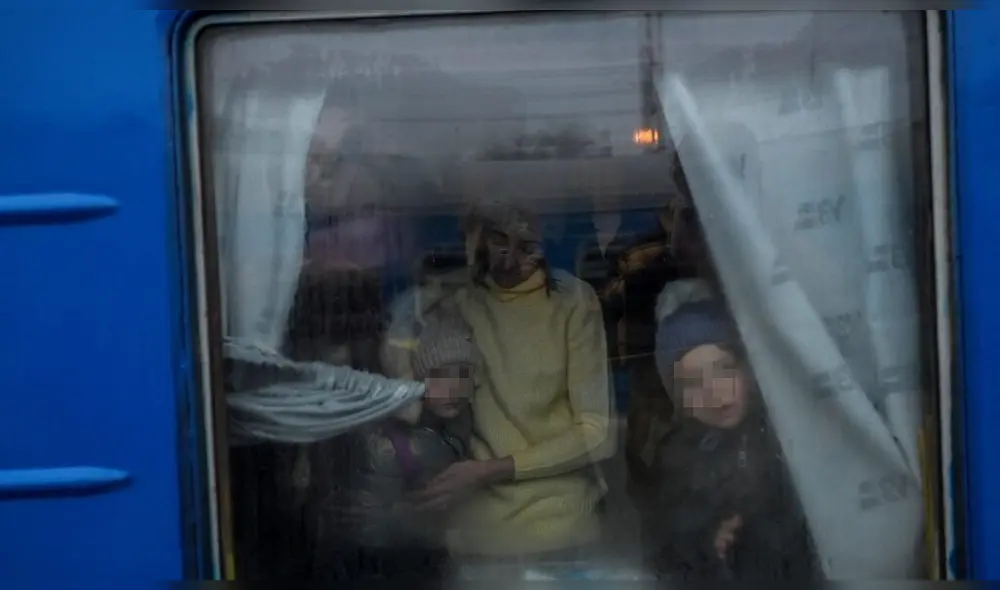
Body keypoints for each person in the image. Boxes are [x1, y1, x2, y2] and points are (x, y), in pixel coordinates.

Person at [408, 197, 616, 568]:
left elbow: (597, 433)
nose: (510, 255)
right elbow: (407, 372)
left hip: (561, 523)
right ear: (476, 243)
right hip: (475, 528)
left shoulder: (572, 302)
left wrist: (490, 469)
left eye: (523, 242)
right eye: (495, 240)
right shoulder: (457, 303)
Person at [646, 300, 820, 580]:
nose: (713, 393)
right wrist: (705, 544)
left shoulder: (790, 437)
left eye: (724, 369)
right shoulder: (675, 456)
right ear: (678, 397)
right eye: (691, 382)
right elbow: (663, 549)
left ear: (749, 370)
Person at [324, 305, 481, 580]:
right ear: (414, 378)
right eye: (441, 376)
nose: (454, 389)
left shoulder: (452, 430)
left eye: (463, 375)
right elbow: (366, 530)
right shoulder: (385, 444)